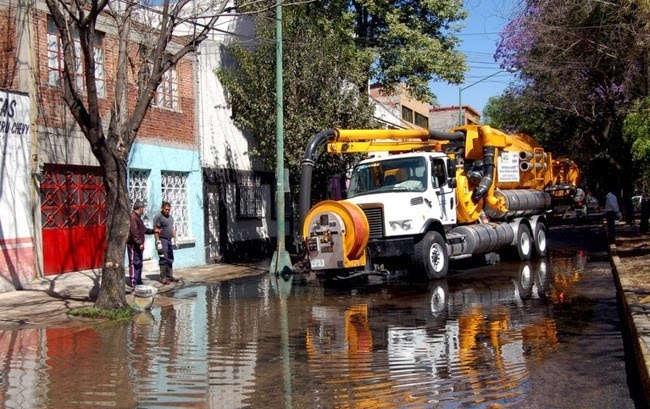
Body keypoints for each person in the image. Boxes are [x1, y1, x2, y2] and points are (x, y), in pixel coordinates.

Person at [127, 200, 159, 288]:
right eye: (143, 208)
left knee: (139, 263)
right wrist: (140, 242)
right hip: (133, 244)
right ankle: (134, 281)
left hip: (138, 244)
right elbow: (134, 232)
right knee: (134, 263)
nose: (143, 210)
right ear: (140, 208)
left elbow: (144, 229)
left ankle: (138, 280)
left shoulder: (138, 217)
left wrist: (153, 231)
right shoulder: (133, 217)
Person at [154, 201, 178, 284]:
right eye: (166, 209)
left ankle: (169, 276)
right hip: (162, 239)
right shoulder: (158, 217)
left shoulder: (170, 217)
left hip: (169, 240)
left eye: (169, 210)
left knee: (170, 258)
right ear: (162, 208)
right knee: (163, 258)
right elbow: (156, 230)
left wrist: (175, 238)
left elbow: (171, 228)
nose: (167, 211)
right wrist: (158, 241)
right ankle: (162, 278)